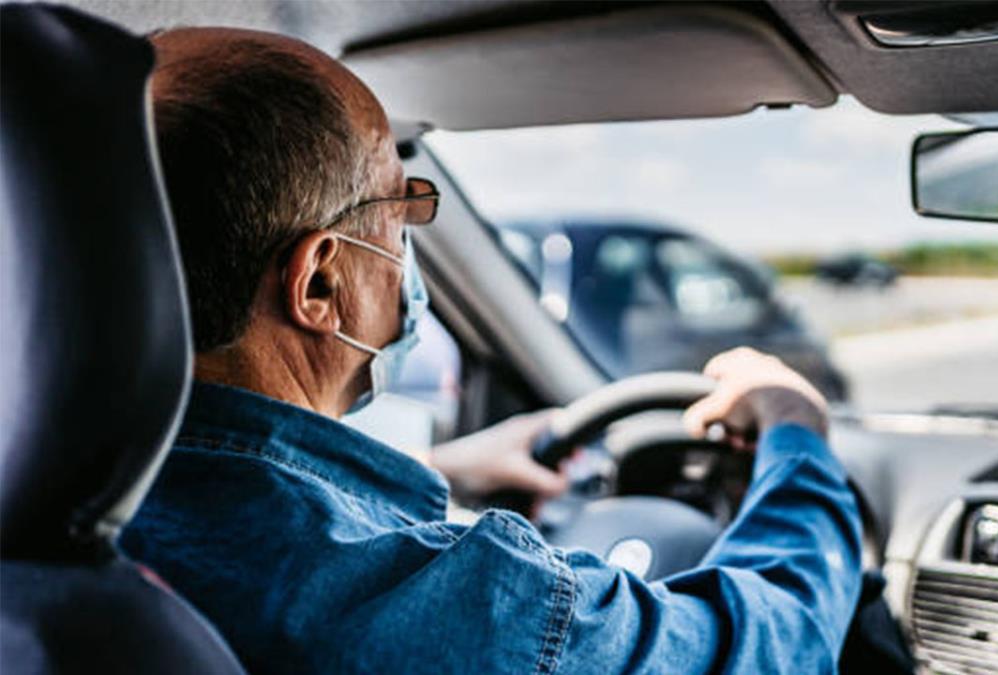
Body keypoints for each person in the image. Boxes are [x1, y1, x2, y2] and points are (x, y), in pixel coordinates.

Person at [121, 26, 863, 674]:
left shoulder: (46, 497)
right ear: (320, 282)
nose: (407, 256)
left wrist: (446, 469)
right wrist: (797, 433)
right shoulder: (458, 607)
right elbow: (778, 644)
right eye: (401, 213)